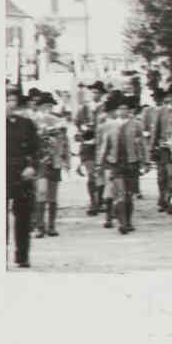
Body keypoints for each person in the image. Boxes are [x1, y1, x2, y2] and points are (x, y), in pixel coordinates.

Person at [98, 90, 146, 234]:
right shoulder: (109, 125)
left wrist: (146, 161)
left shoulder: (136, 124)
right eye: (120, 108)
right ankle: (122, 223)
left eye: (125, 108)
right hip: (115, 163)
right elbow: (104, 145)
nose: (122, 111)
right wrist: (100, 164)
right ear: (116, 110)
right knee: (119, 193)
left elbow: (142, 144)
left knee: (129, 195)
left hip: (131, 162)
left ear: (129, 110)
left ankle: (129, 221)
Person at [6, 86, 40, 268]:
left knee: (23, 216)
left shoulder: (26, 124)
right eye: (7, 100)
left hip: (22, 174)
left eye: (13, 101)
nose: (10, 104)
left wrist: (31, 167)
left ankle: (22, 255)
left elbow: (36, 149)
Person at [32, 92, 69, 237]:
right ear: (39, 107)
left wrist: (66, 160)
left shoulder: (58, 121)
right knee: (41, 192)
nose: (48, 108)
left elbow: (64, 142)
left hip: (54, 161)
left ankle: (51, 226)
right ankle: (40, 226)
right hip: (40, 162)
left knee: (52, 196)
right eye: (45, 106)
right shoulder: (32, 122)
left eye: (50, 106)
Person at [73, 81, 107, 216]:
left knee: (101, 174)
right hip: (87, 144)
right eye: (93, 92)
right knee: (91, 173)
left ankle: (100, 200)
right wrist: (83, 129)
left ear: (102, 94)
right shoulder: (84, 107)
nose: (95, 94)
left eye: (98, 92)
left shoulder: (105, 107)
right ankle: (93, 201)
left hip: (102, 144)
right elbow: (77, 123)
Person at [149, 84, 172, 213]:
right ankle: (163, 199)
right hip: (163, 149)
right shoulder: (160, 111)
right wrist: (152, 148)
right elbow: (155, 130)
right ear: (167, 97)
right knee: (162, 176)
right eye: (170, 96)